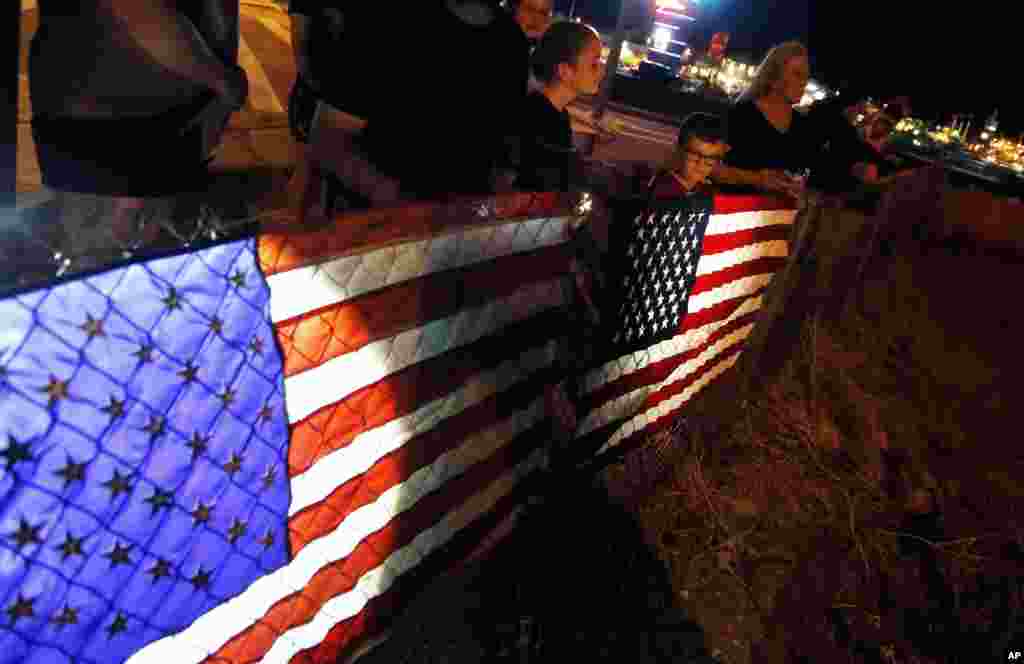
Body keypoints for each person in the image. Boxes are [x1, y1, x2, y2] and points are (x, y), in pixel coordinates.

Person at [28, 0, 248, 261]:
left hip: (122, 134)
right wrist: (221, 82)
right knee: (115, 247)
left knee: (103, 249)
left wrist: (219, 86)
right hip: (128, 137)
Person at [355, 0, 529, 201]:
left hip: (456, 200)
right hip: (390, 190)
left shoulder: (513, 42)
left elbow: (505, 137)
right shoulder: (512, 41)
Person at [714, 41, 817, 199]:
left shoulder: (802, 126)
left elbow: (804, 177)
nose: (803, 82)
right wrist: (756, 178)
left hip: (779, 220)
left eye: (806, 76)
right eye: (797, 74)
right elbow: (710, 167)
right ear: (774, 77)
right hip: (734, 215)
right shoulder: (742, 114)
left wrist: (800, 187)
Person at [514, 20, 604, 192]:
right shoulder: (537, 117)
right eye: (594, 64)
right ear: (565, 71)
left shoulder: (557, 113)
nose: (602, 70)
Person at [647, 112, 730, 200]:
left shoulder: (707, 189)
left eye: (710, 159)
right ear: (678, 149)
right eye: (695, 154)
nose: (701, 164)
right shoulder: (663, 189)